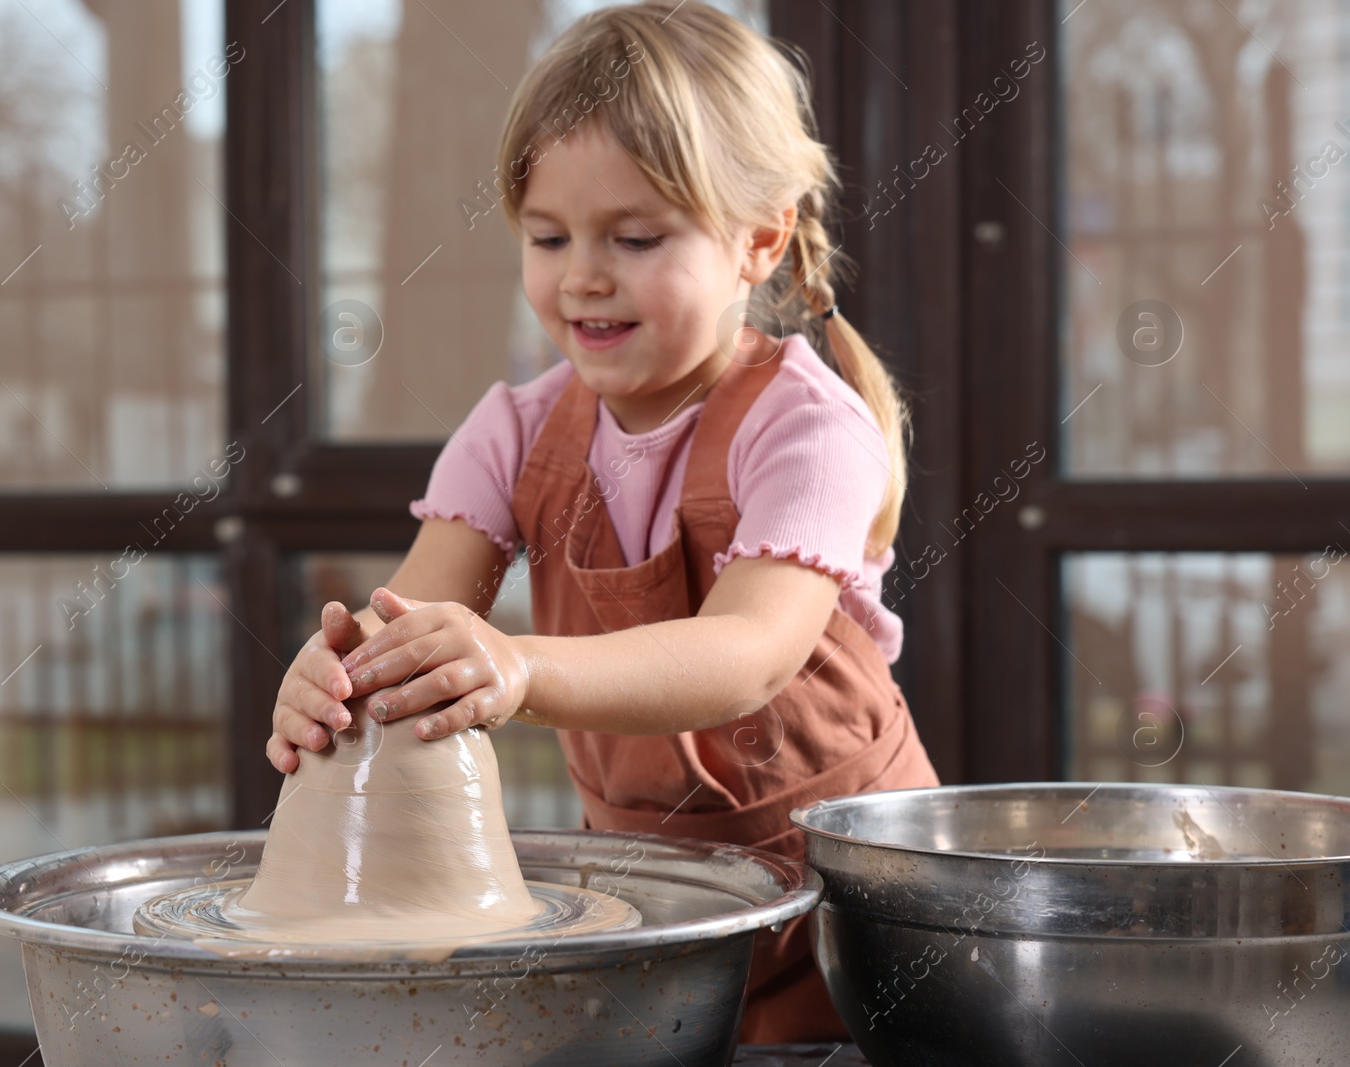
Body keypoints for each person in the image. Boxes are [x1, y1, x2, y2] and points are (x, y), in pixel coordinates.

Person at [267, 1, 939, 1043]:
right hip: (659, 920)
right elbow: (411, 627)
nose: (581, 273)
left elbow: (748, 652)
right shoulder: (512, 434)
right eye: (548, 236)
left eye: (635, 237)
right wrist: (339, 674)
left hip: (860, 928)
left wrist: (520, 668)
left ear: (757, 239)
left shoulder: (808, 428)